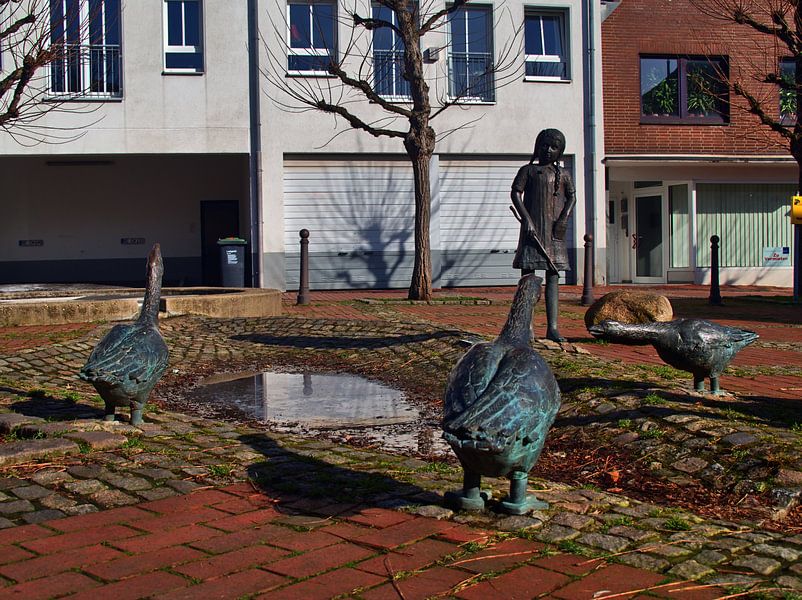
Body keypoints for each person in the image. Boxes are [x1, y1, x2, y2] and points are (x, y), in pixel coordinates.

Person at [510, 128, 576, 342]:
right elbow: (515, 193)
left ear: (560, 151)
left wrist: (564, 218)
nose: (548, 150)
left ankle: (553, 328)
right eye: (544, 145)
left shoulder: (563, 174)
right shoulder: (528, 171)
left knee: (553, 276)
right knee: (528, 278)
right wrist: (527, 219)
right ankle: (526, 326)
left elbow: (572, 197)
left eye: (554, 147)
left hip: (555, 233)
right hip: (532, 231)